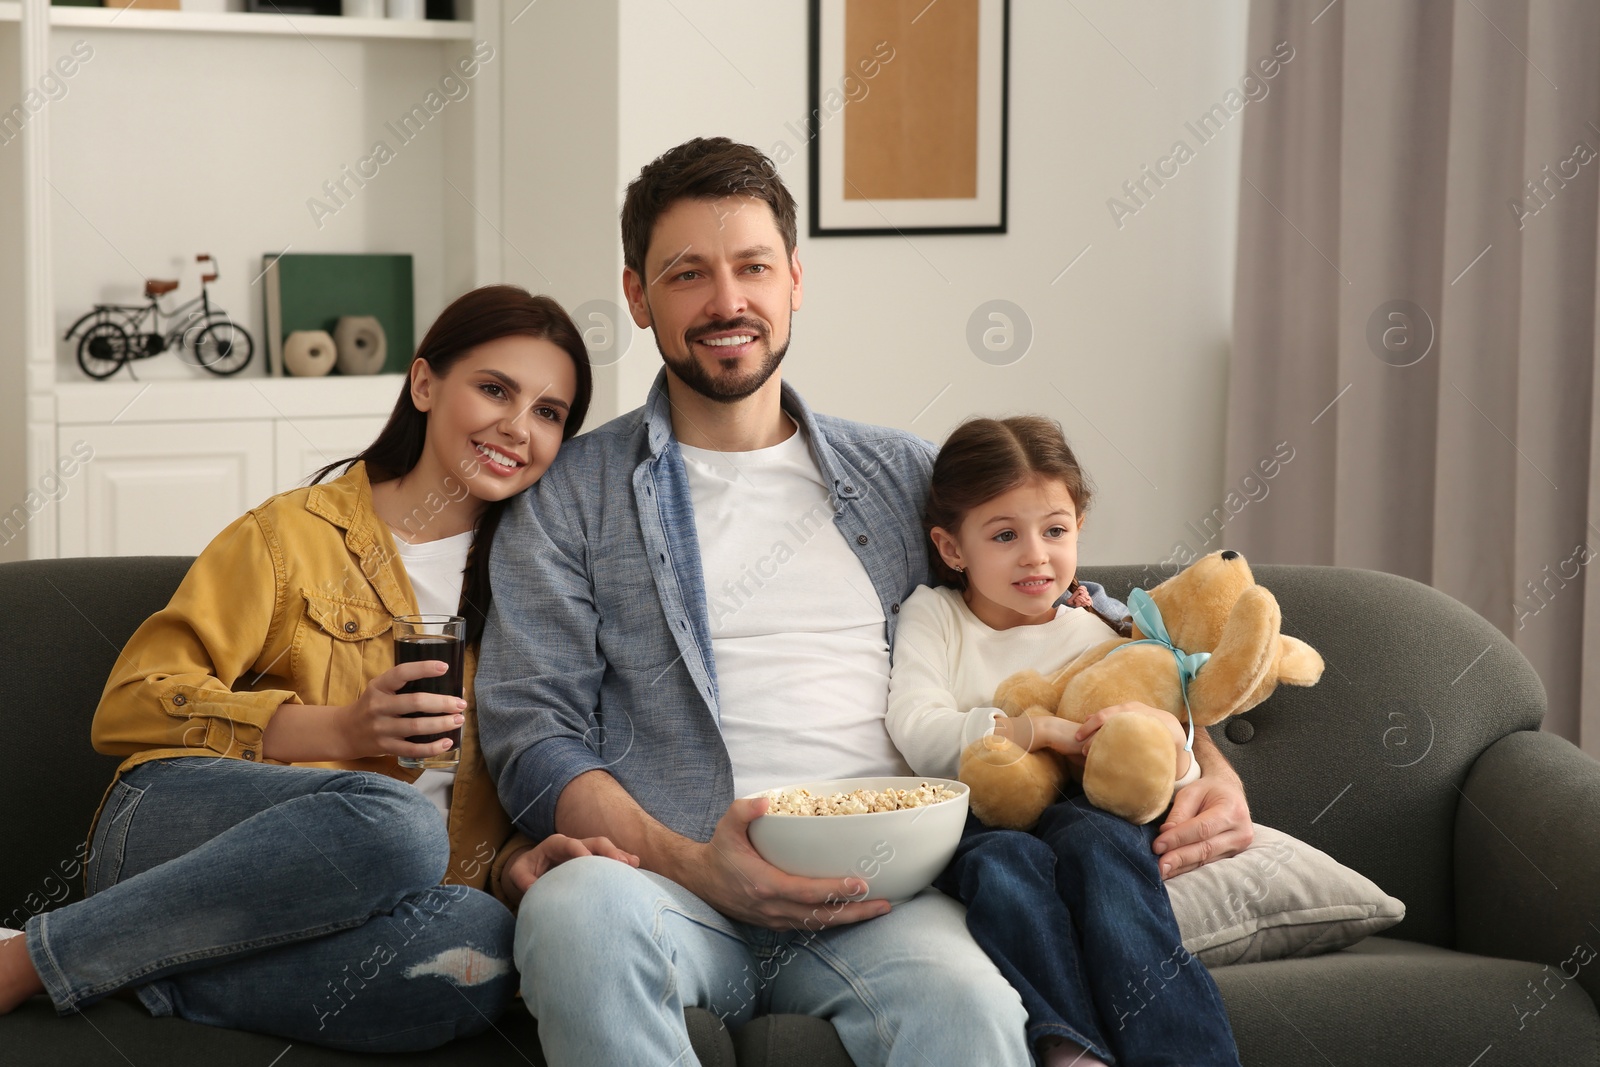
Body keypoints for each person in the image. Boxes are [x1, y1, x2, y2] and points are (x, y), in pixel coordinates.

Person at [476, 137, 1254, 1067]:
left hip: (888, 891)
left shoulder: (901, 476)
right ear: (639, 295)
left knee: (974, 1006)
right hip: (670, 884)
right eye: (689, 275)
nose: (728, 302)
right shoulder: (570, 496)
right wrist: (696, 864)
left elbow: (1080, 624)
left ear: (795, 279)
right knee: (571, 912)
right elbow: (533, 732)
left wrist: (1208, 759)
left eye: (753, 267)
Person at [0, 285, 637, 1051]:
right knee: (399, 827)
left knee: (485, 942)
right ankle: (31, 963)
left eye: (549, 412)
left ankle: (137, 969)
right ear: (425, 383)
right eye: (495, 389)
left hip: (367, 899)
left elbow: (467, 823)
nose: (517, 426)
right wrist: (340, 726)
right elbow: (130, 705)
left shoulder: (539, 589)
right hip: (175, 837)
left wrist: (512, 865)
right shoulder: (292, 534)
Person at [885, 416, 1240, 1067]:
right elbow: (914, 724)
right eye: (1004, 535)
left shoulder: (1100, 630)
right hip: (981, 812)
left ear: (1078, 527)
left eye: (1055, 530)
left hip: (1089, 809)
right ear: (952, 546)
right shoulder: (934, 615)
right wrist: (1023, 730)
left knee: (1103, 849)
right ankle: (1072, 1047)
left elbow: (1163, 759)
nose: (1035, 555)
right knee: (1004, 866)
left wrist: (1171, 742)